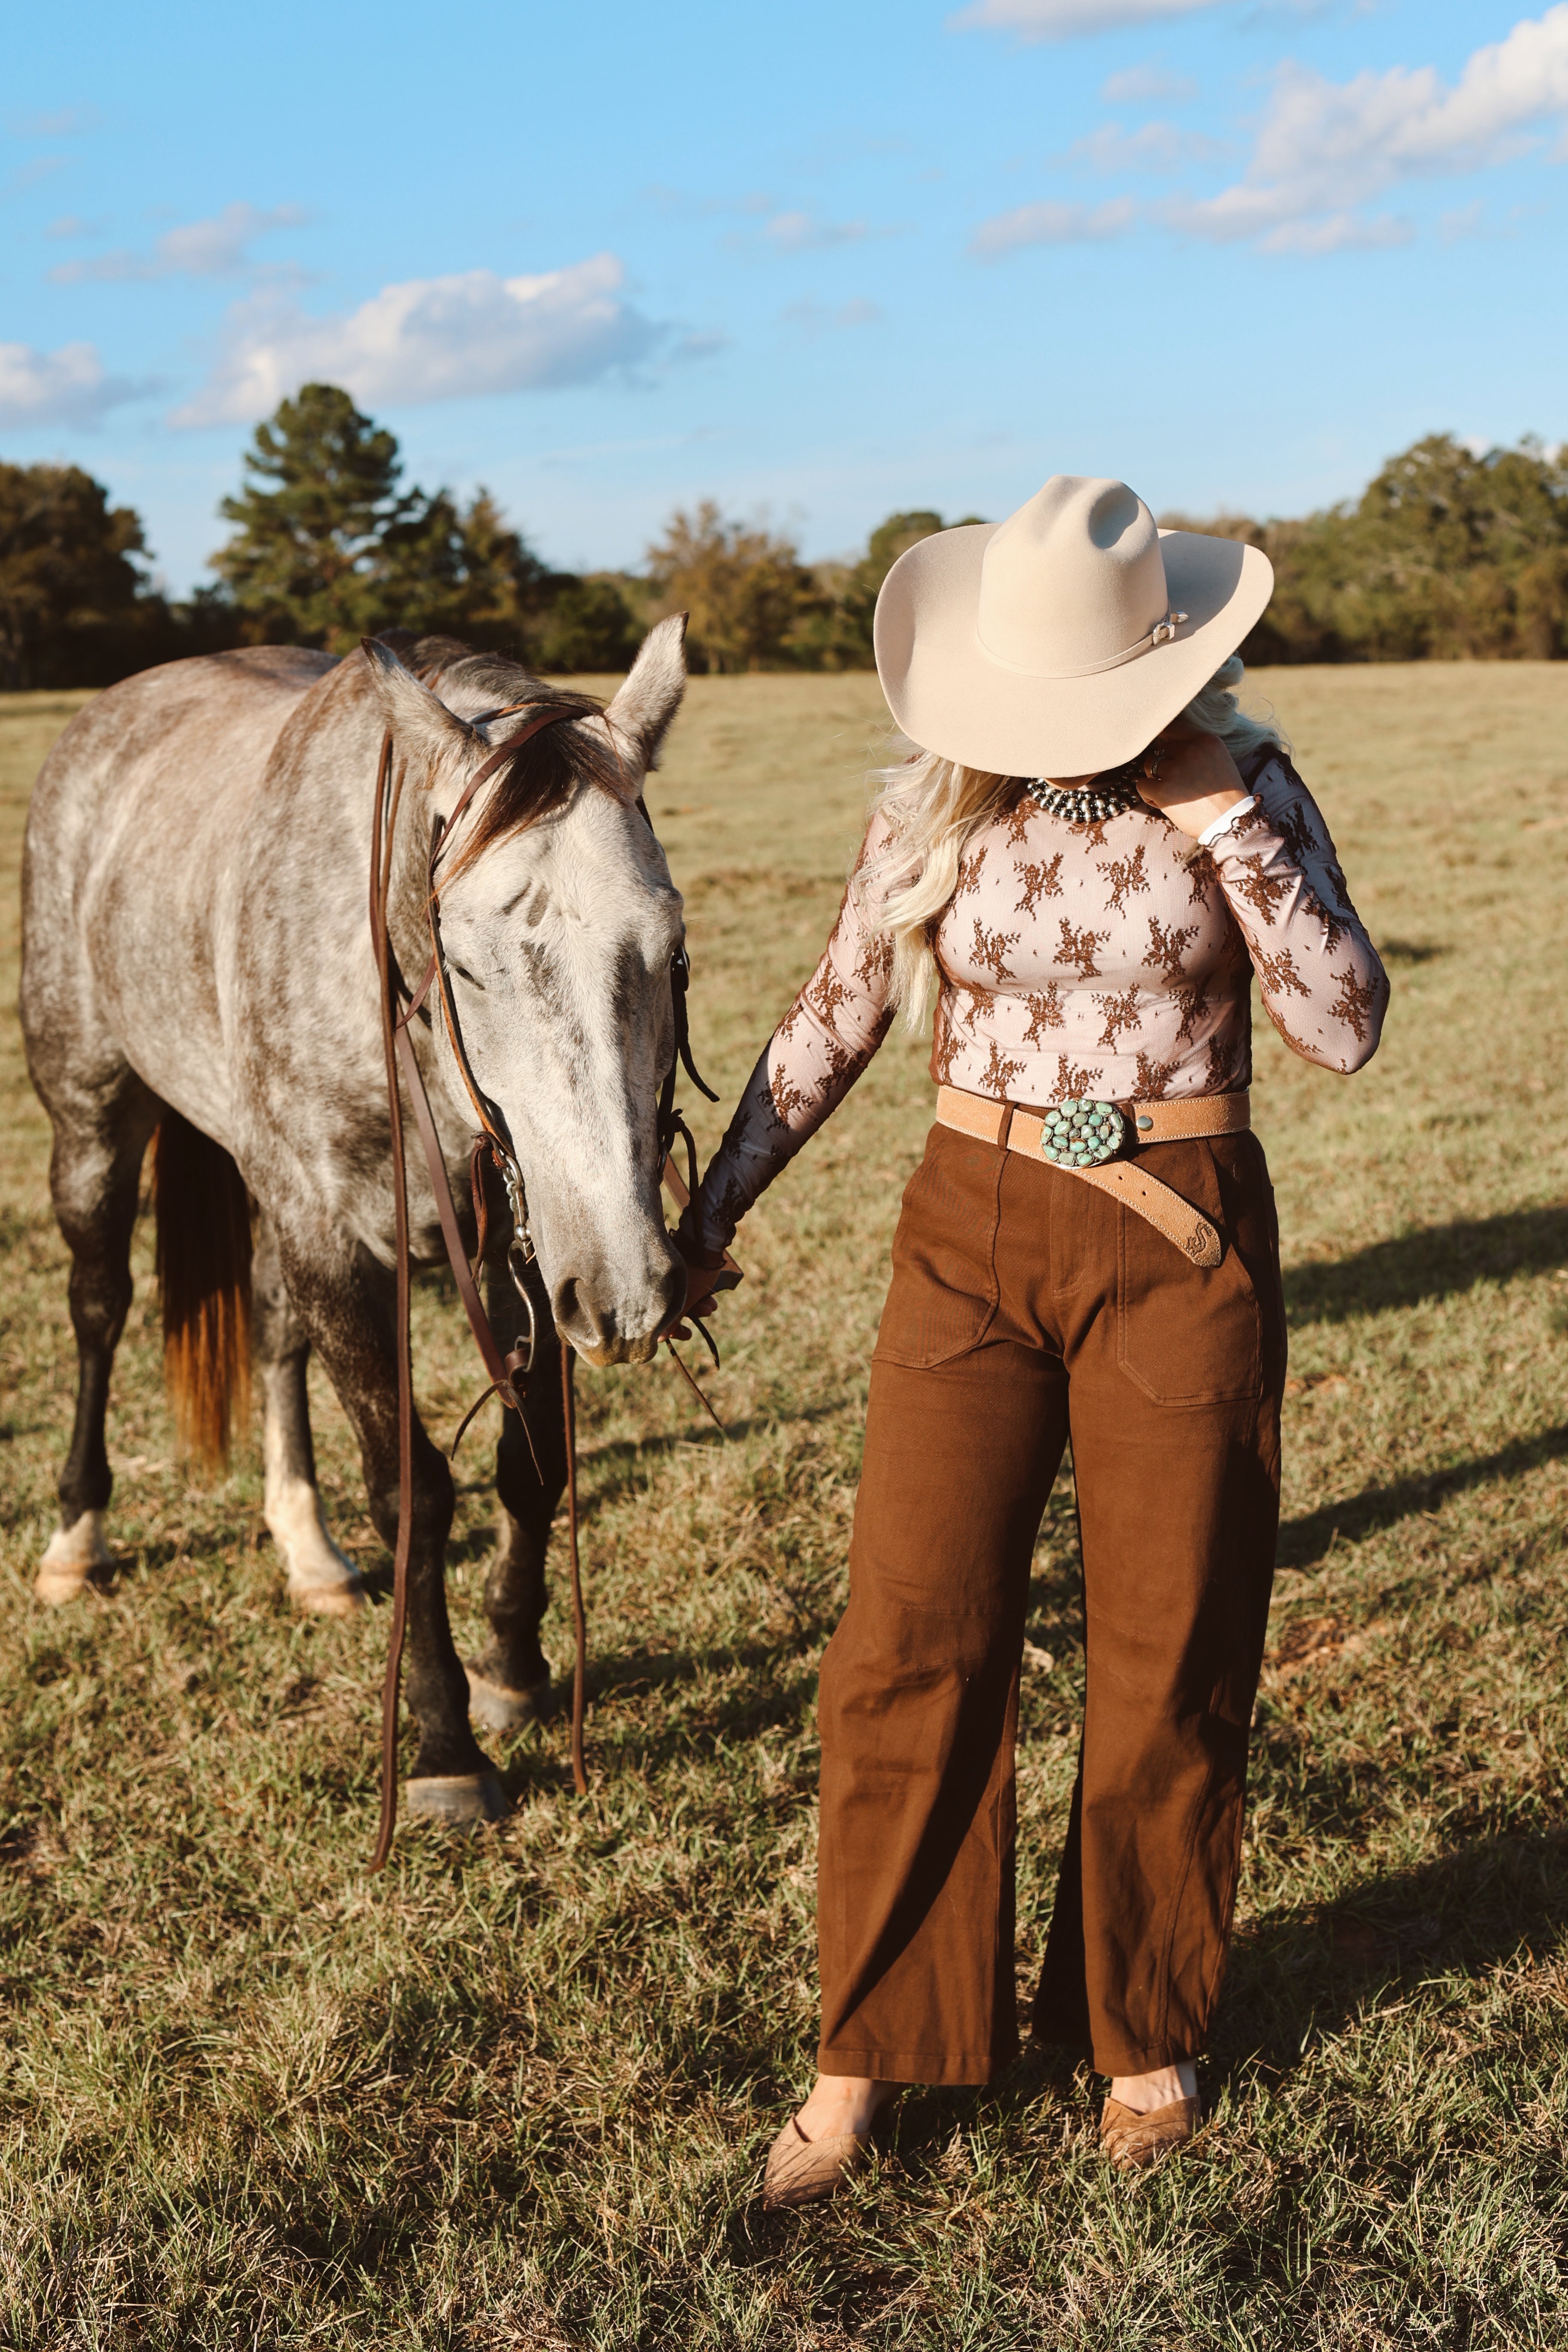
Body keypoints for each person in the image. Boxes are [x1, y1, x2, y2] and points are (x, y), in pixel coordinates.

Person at [672, 476, 1389, 2205]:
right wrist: (714, 1208)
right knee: (908, 1638)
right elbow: (842, 1002)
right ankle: (864, 2055)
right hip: (967, 1239)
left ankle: (1137, 2024)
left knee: (1172, 1639)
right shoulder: (941, 803)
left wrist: (1235, 831)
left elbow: (1346, 1026)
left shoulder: (1252, 786)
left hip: (1181, 1237)